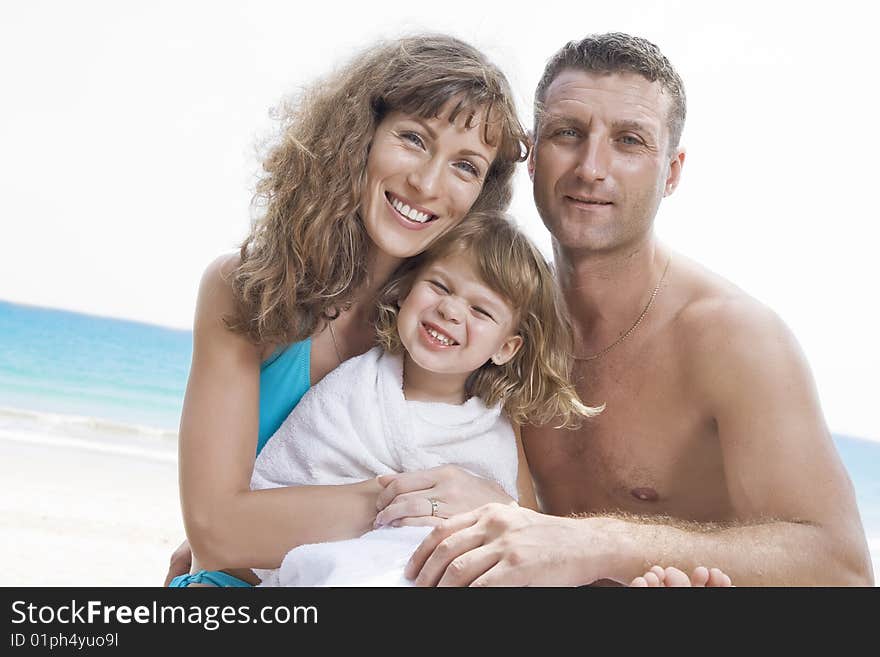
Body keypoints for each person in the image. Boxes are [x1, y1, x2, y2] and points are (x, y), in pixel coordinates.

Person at [400, 32, 874, 586]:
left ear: (671, 172)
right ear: (532, 157)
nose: (591, 168)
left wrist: (601, 541)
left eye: (629, 141)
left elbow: (843, 570)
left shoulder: (733, 337)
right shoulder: (495, 330)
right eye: (568, 134)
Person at [165, 34, 532, 587]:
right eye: (413, 138)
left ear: (481, 193)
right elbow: (217, 531)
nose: (428, 183)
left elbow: (521, 527)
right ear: (358, 136)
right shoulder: (246, 289)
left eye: (465, 165)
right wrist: (429, 502)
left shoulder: (460, 333)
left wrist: (277, 521)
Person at [247, 213, 597, 586]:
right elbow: (278, 485)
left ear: (506, 348)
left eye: (481, 310)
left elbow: (515, 540)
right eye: (440, 286)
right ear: (405, 291)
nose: (450, 310)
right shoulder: (352, 390)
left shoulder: (492, 427)